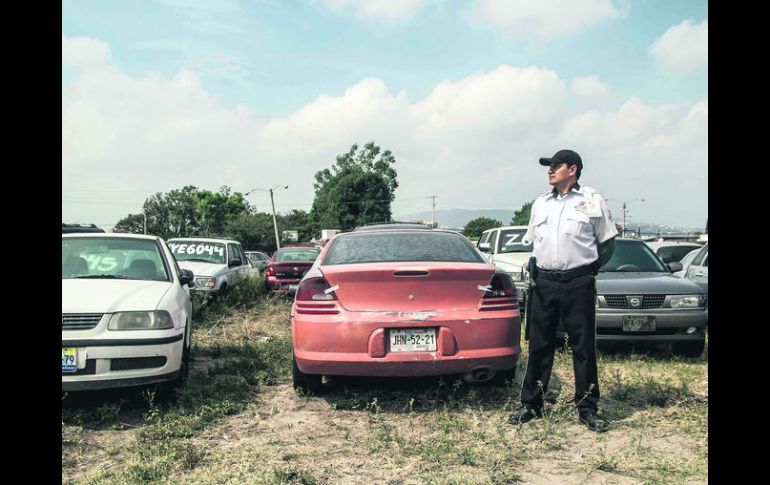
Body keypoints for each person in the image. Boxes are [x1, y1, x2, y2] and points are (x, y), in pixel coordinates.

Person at [509, 149, 617, 432]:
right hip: (544, 282)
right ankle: (532, 404)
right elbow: (535, 242)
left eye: (555, 166)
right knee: (540, 345)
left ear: (572, 169)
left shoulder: (591, 201)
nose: (549, 170)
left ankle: (587, 408)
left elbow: (607, 244)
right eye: (549, 166)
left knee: (583, 347)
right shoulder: (540, 204)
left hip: (578, 283)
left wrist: (588, 270)